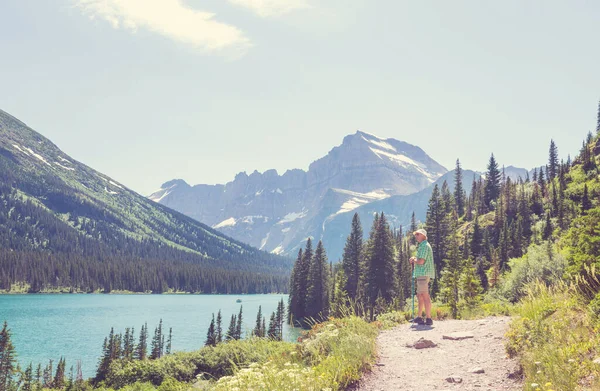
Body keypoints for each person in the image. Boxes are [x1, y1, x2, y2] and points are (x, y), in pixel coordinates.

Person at [409, 228, 435, 326]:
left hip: (423, 274)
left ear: (423, 235)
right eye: (415, 234)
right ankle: (419, 317)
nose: (416, 236)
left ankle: (428, 318)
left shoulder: (424, 246)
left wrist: (414, 260)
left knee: (424, 295)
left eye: (418, 234)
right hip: (421, 274)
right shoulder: (423, 245)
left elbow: (421, 261)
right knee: (420, 295)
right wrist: (415, 259)